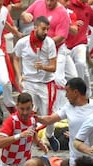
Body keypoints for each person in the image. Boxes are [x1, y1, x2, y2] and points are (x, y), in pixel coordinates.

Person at [13, 16, 58, 150]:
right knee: (26, 111)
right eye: (43, 29)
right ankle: (28, 138)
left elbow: (53, 67)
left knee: (48, 115)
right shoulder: (22, 43)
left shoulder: (49, 43)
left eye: (48, 29)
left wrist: (43, 67)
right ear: (35, 28)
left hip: (46, 83)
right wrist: (19, 75)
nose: (46, 32)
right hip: (29, 82)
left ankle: (49, 135)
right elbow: (15, 58)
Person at [37, 77, 93, 166]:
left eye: (67, 92)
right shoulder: (67, 107)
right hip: (75, 158)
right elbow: (49, 119)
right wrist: (35, 117)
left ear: (75, 92)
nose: (66, 95)